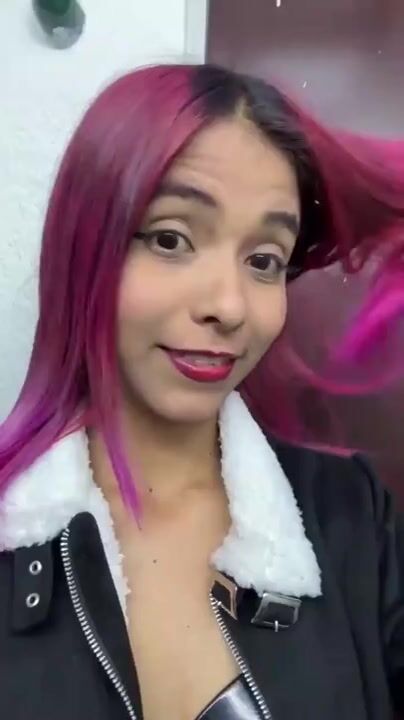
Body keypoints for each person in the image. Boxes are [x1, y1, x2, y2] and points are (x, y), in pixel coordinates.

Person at [0, 63, 403, 720]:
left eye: (264, 260)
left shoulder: (351, 518)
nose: (229, 306)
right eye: (171, 239)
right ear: (85, 248)